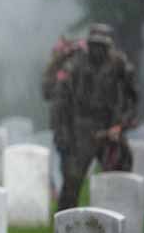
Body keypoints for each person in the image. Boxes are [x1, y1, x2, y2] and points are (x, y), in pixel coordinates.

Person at [53, 23, 139, 211]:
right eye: (95, 45)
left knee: (120, 180)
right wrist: (63, 133)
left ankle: (119, 223)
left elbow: (131, 98)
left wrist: (121, 125)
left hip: (110, 128)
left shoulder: (119, 64)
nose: (98, 50)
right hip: (82, 129)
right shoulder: (75, 65)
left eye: (102, 46)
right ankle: (66, 227)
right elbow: (61, 102)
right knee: (72, 182)